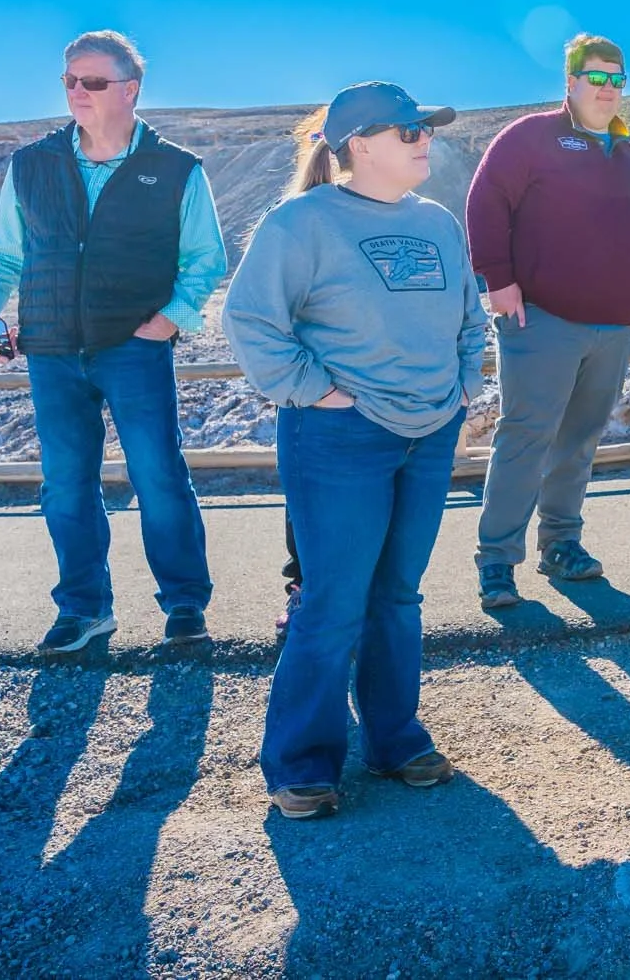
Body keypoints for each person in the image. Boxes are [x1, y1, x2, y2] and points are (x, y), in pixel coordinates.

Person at [223, 82, 484, 820]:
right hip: (340, 436)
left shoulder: (436, 222)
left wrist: (464, 385)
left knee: (397, 595)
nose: (423, 140)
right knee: (333, 600)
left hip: (429, 432)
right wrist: (316, 391)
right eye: (408, 131)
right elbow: (249, 320)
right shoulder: (301, 222)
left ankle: (395, 739)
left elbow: (469, 315)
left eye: (425, 128)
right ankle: (303, 763)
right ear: (359, 144)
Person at [0, 30, 224, 656]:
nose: (78, 91)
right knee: (65, 484)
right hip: (50, 349)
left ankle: (185, 606)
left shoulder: (177, 168)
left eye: (93, 81)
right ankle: (83, 609)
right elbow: (3, 253)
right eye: (69, 80)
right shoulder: (31, 165)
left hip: (134, 347)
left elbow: (205, 259)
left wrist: (173, 318)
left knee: (158, 475)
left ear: (130, 90)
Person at [465, 33, 630, 609]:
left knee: (579, 440)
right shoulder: (529, 137)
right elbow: (486, 201)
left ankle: (561, 543)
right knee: (526, 436)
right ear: (571, 82)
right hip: (542, 320)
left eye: (616, 78)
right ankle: (497, 561)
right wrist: (498, 280)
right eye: (596, 77)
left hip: (613, 326)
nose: (607, 88)